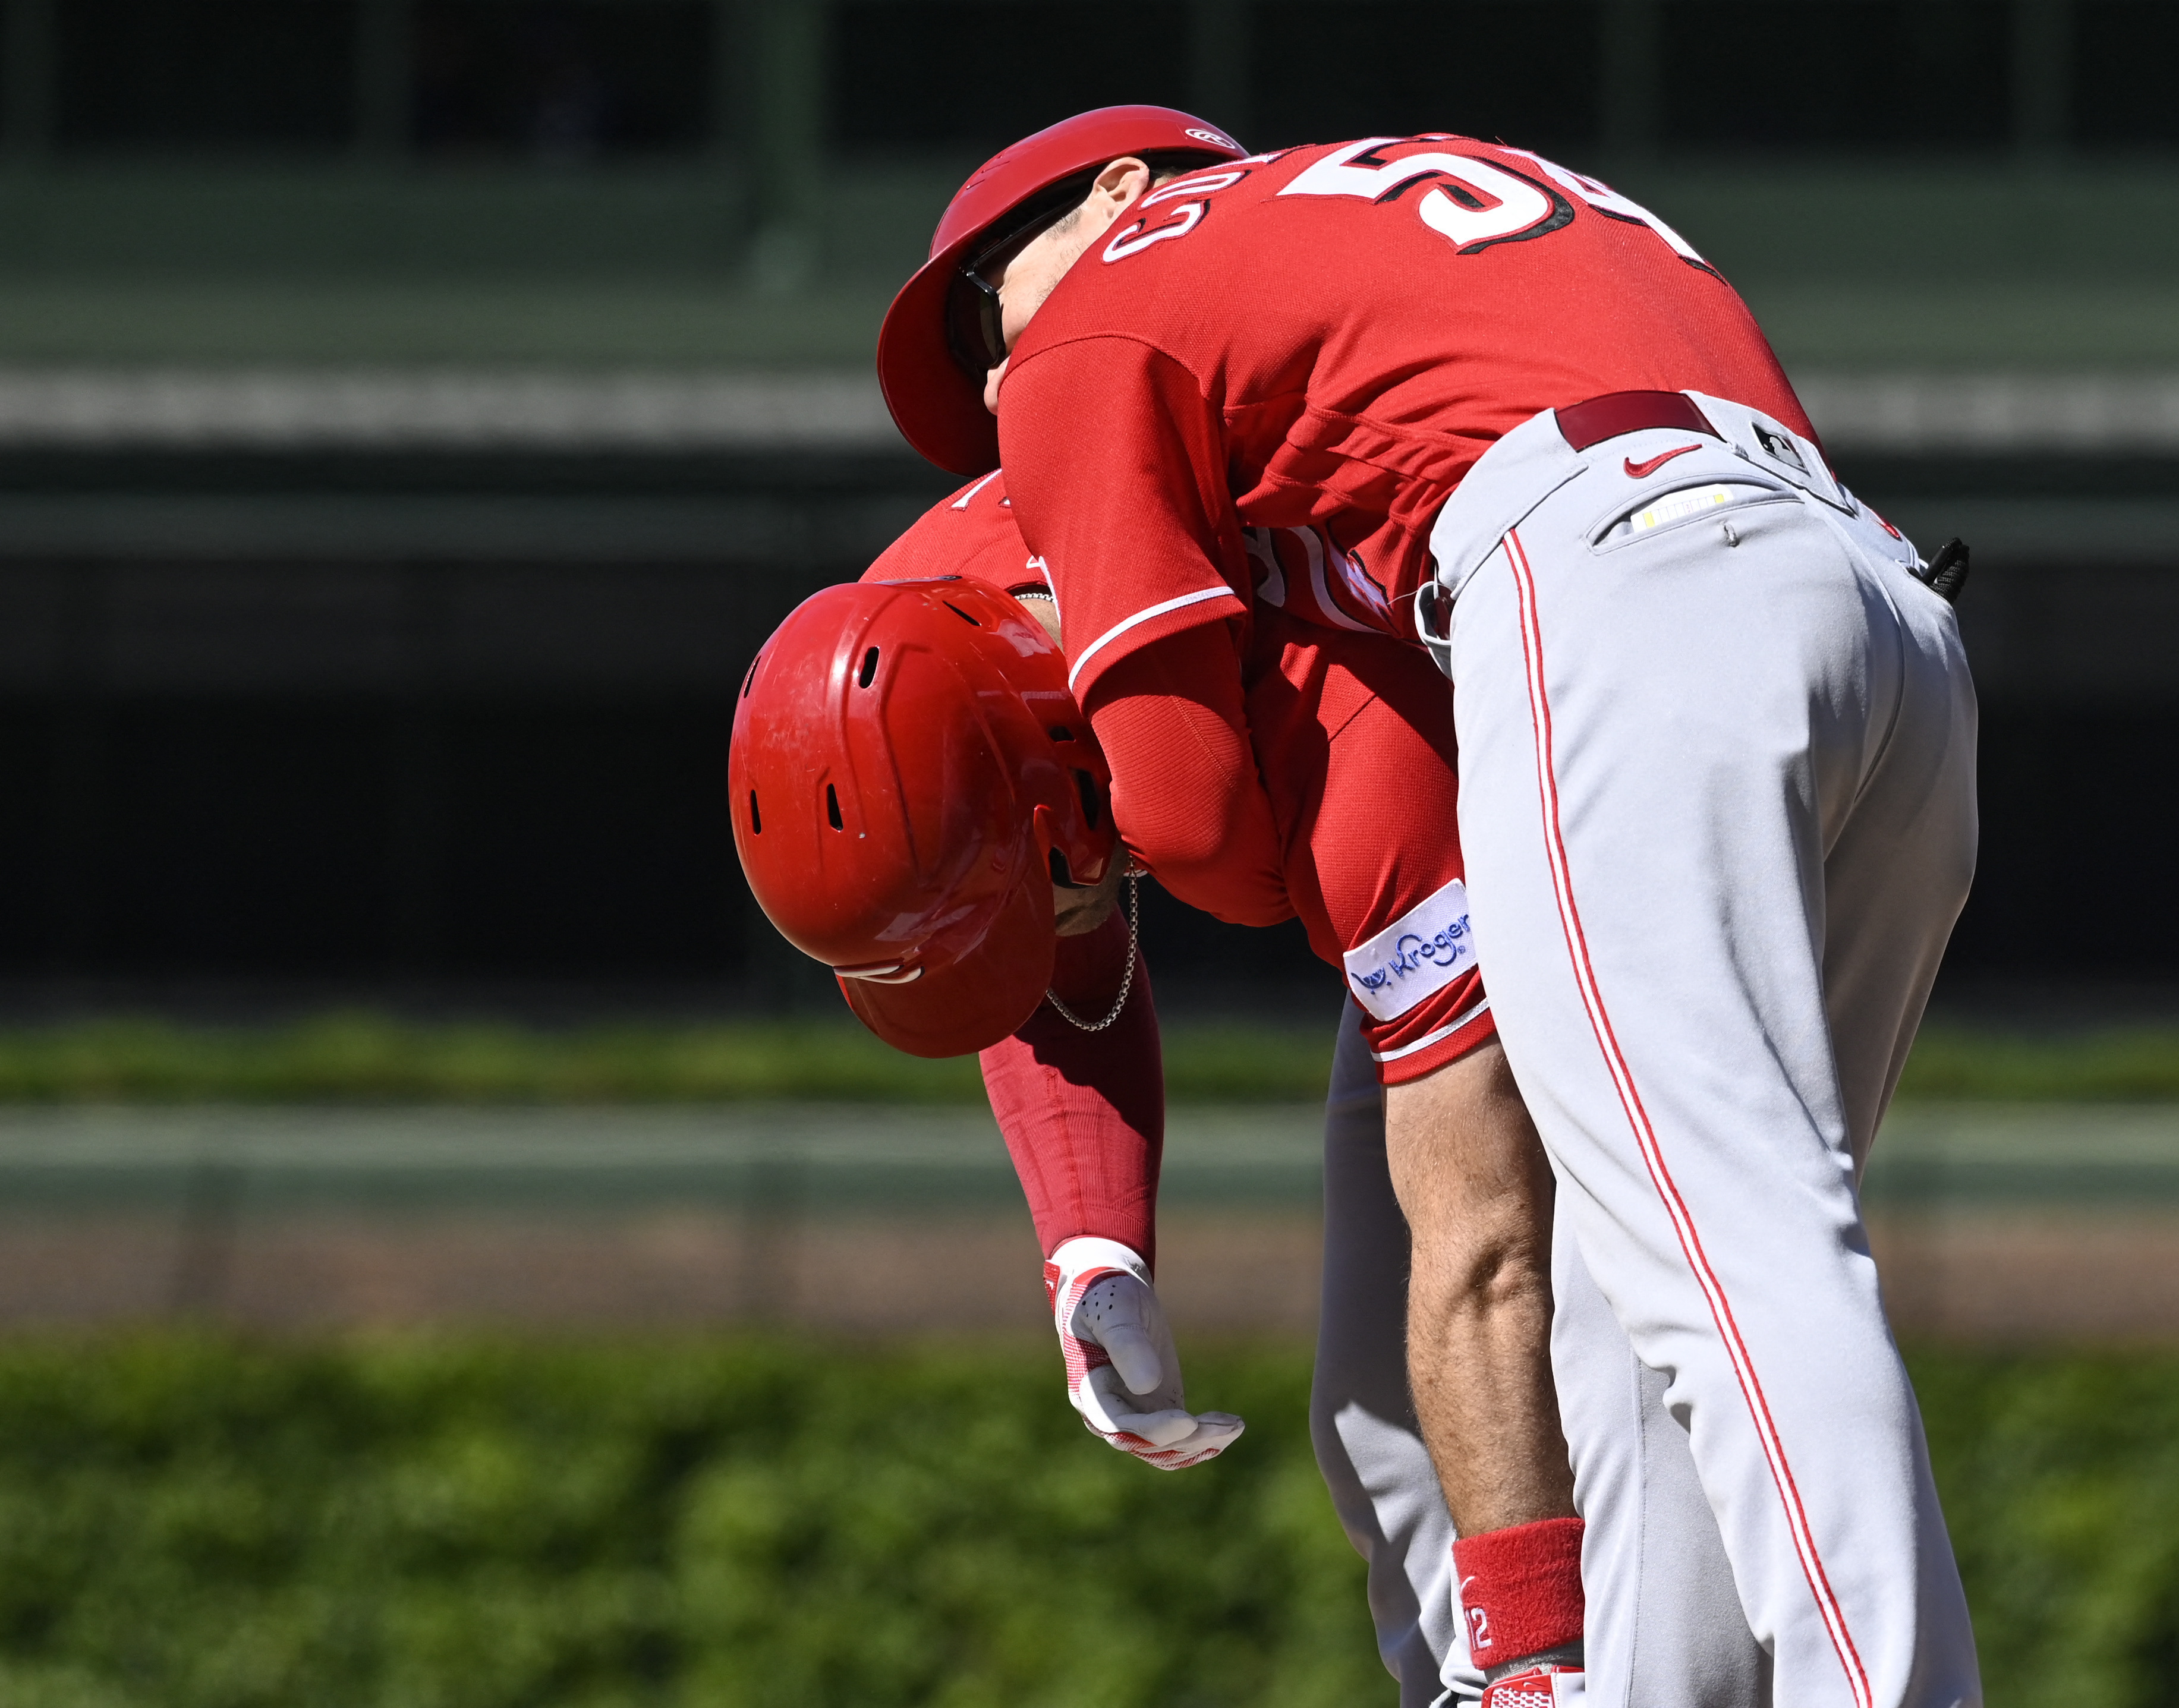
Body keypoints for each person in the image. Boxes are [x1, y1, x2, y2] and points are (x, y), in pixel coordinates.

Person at [873, 108, 1983, 1708]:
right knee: (1674, 1286)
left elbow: (1182, 818)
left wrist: (1192, 846)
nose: (992, 389)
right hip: (1877, 613)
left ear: (1122, 190)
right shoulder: (1384, 235)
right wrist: (1091, 1231)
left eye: (987, 312)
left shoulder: (1113, 305)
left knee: (1712, 1259)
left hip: (1619, 572)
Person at [730, 476, 1767, 1706]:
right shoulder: (935, 649)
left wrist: (1530, 1634)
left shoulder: (1215, 638)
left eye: (1026, 902)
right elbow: (1033, 933)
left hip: (1661, 737)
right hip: (1488, 802)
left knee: (1617, 1379)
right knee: (1380, 1417)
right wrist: (1091, 1247)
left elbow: (1483, 1238)